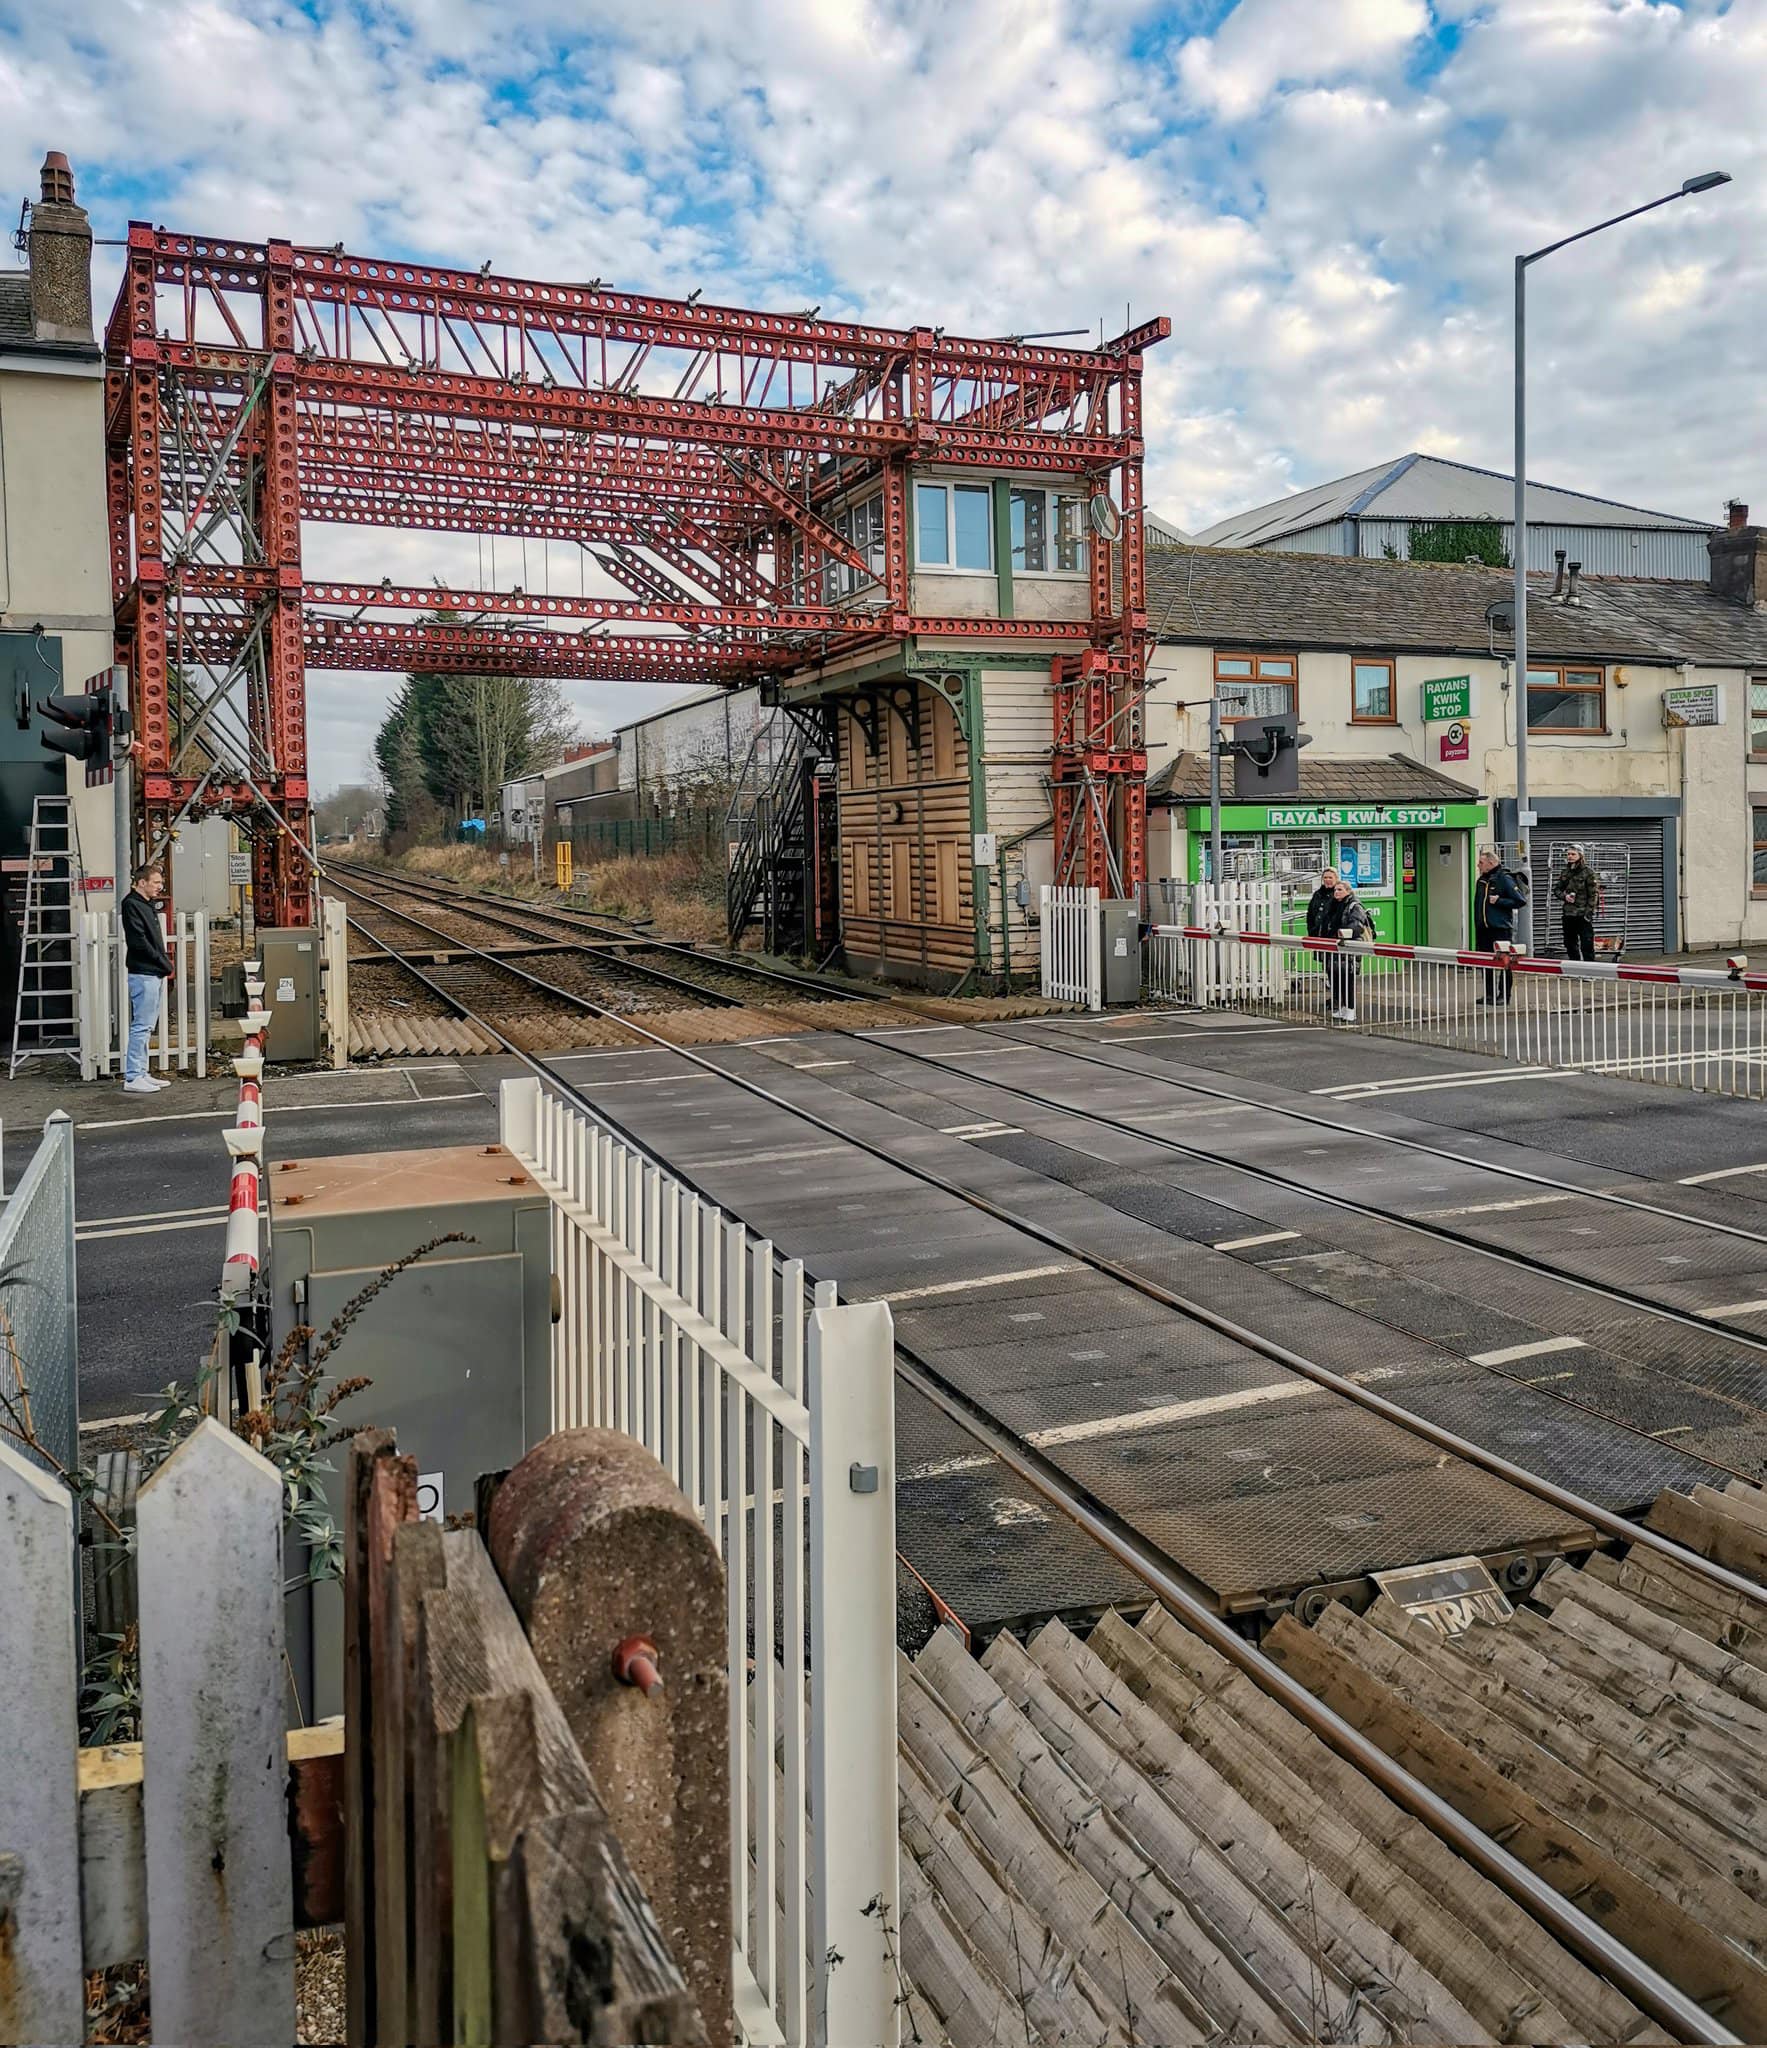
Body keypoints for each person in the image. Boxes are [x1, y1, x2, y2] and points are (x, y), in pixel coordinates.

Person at [120, 863, 173, 1095]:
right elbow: (139, 942)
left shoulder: (142, 905)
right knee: (142, 1026)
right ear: (142, 882)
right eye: (156, 882)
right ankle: (133, 1075)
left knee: (146, 1025)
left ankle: (140, 1072)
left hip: (149, 970)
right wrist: (163, 962)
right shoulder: (133, 905)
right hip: (145, 971)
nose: (160, 887)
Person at [1473, 847, 1524, 1004]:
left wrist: (1500, 901)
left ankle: (1504, 995)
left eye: (1481, 862)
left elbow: (1520, 900)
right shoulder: (1482, 880)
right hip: (1483, 928)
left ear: (1491, 862)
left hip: (1500, 928)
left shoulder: (1504, 878)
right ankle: (1489, 994)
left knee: (1504, 962)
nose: (1478, 865)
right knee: (1485, 961)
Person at [1322, 875, 1369, 1021]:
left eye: (1340, 890)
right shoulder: (1333, 906)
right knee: (1334, 980)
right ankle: (1339, 1007)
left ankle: (1350, 1008)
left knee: (1347, 980)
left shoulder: (1354, 906)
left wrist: (1343, 933)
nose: (1337, 892)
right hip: (1333, 947)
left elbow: (1357, 926)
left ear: (1348, 891)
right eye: (1336, 890)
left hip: (1348, 947)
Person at [1553, 843, 1599, 961]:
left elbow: (1593, 895)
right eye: (1568, 854)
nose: (1570, 856)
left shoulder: (1588, 872)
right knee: (1569, 943)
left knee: (1587, 944)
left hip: (1582, 913)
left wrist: (1588, 914)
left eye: (1573, 854)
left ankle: (1589, 971)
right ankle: (1575, 968)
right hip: (1568, 914)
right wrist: (1564, 896)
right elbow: (1557, 889)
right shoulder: (1565, 872)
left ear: (1580, 855)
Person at [1305, 867, 1340, 938]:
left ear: (1336, 879)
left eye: (1330, 878)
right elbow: (1310, 914)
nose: (1327, 880)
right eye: (1325, 878)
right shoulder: (1317, 894)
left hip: (1332, 936)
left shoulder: (1339, 894)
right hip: (1316, 934)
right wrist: (1311, 931)